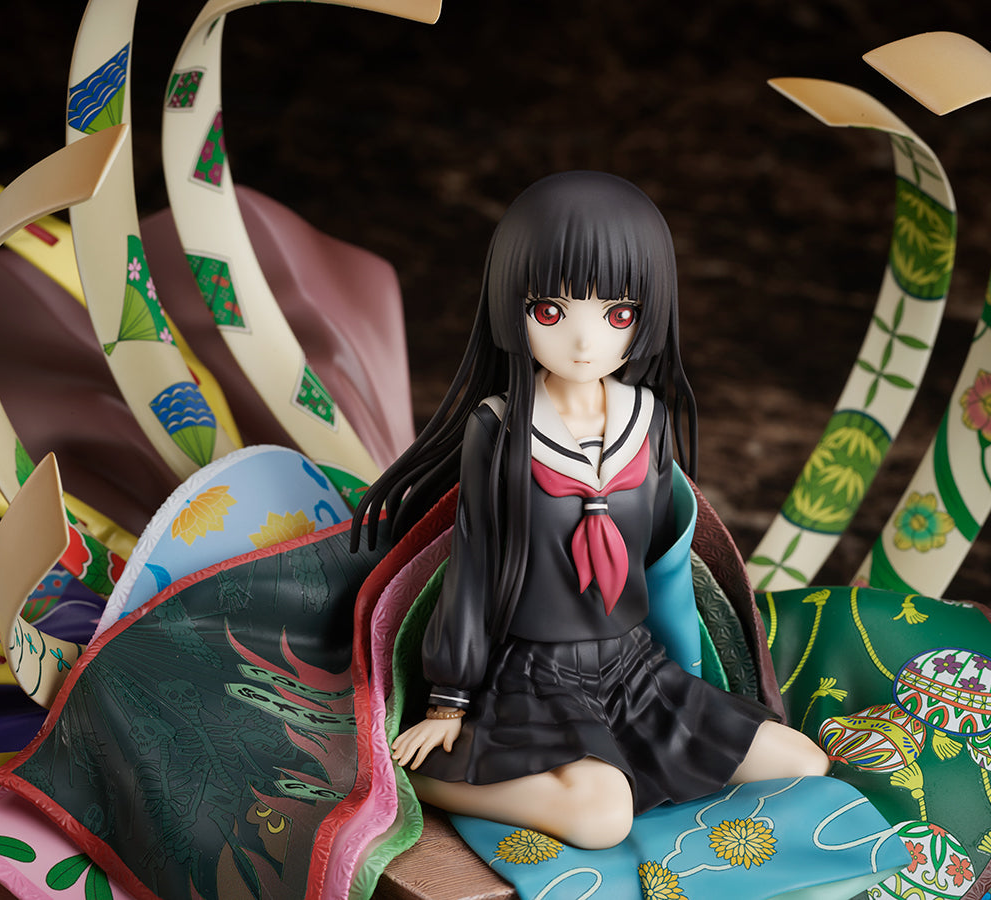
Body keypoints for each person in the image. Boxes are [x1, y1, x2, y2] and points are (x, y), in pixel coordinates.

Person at [352, 171, 829, 850]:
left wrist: (691, 681)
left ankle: (624, 758)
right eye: (551, 311)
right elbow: (474, 566)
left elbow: (664, 564)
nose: (584, 341)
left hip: (634, 666)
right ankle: (426, 779)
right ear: (512, 305)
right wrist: (449, 701)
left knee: (801, 762)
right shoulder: (501, 429)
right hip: (534, 674)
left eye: (617, 314)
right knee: (603, 819)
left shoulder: (648, 419)